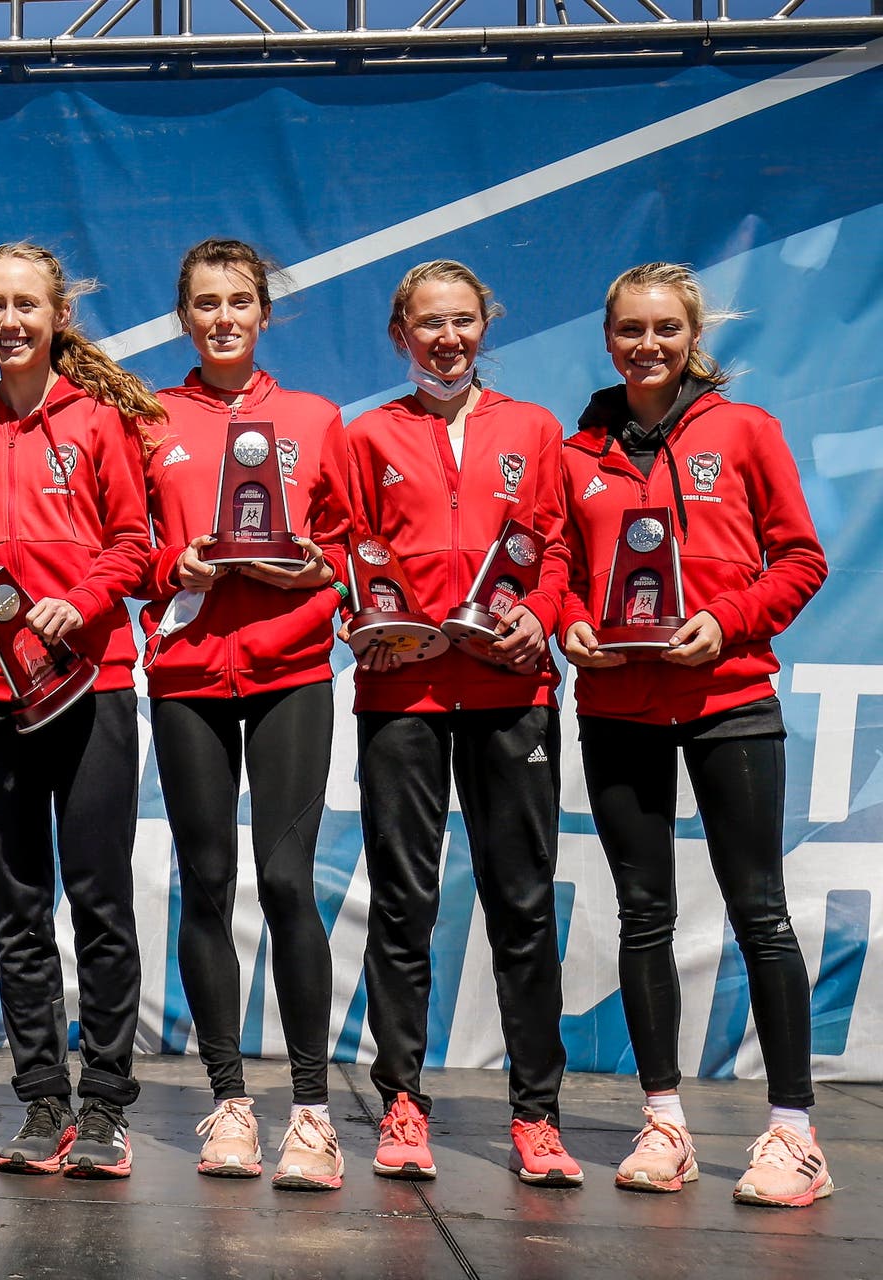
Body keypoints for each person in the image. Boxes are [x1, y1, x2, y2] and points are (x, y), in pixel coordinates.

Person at [559, 262, 829, 1206]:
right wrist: (568, 624)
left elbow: (801, 557)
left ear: (692, 334)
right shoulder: (575, 450)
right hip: (618, 707)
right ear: (608, 337)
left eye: (665, 328)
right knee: (644, 915)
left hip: (729, 701)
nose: (648, 345)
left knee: (760, 912)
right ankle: (664, 1121)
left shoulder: (746, 431)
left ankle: (794, 1134)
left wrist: (732, 620)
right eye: (630, 329)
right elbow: (554, 566)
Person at [344, 260, 581, 1187]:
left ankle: (538, 1114)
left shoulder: (534, 428)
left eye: (463, 322)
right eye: (428, 324)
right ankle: (402, 1101)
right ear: (400, 334)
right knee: (403, 904)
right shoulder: (368, 435)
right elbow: (342, 549)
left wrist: (544, 613)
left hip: (509, 688)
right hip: (401, 694)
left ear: (486, 326)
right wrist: (363, 624)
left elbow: (556, 545)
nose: (447, 339)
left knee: (521, 904)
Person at [139, 238, 351, 1189]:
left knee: (287, 882)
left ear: (266, 314)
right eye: (206, 304)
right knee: (208, 880)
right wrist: (167, 569)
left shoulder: (315, 418)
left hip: (292, 671)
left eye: (240, 302)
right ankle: (229, 1104)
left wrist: (317, 569)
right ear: (185, 316)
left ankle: (311, 1110)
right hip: (188, 672)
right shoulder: (150, 419)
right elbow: (129, 542)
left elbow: (353, 548)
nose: (223, 318)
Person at [0, 242, 157, 1180]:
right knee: (17, 908)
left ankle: (108, 1102)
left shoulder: (100, 421)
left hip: (91, 686)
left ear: (56, 318)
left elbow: (136, 549)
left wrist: (77, 603)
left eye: (26, 305)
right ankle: (44, 1100)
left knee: (99, 900)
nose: (10, 322)